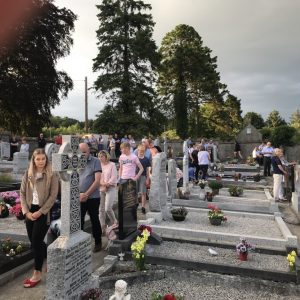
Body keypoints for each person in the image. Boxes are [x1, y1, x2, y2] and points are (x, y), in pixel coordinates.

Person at [20, 148, 59, 288]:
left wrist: (41, 212)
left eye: (43, 159)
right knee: (33, 242)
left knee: (36, 241)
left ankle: (37, 273)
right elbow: (22, 193)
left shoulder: (52, 174)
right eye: (38, 159)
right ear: (34, 160)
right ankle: (52, 258)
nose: (41, 161)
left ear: (46, 159)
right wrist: (26, 212)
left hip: (44, 211)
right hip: (30, 211)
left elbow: (53, 196)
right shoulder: (28, 173)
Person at [79, 143, 102, 252]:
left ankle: (98, 242)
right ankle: (80, 244)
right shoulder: (75, 161)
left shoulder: (95, 161)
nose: (83, 154)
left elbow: (97, 181)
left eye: (85, 151)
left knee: (94, 219)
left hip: (92, 197)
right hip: (79, 197)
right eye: (81, 152)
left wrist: (86, 194)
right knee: (79, 221)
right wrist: (79, 194)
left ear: (89, 151)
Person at [98, 150, 118, 234]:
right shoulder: (99, 165)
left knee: (107, 208)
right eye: (99, 156)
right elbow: (98, 176)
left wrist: (107, 185)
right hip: (101, 188)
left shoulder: (112, 165)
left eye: (102, 156)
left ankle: (115, 223)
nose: (100, 158)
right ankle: (102, 227)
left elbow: (114, 177)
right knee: (101, 209)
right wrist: (102, 184)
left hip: (111, 188)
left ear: (106, 156)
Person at [136, 144, 151, 214]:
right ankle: (136, 203)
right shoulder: (135, 158)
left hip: (143, 176)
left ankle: (143, 207)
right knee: (134, 192)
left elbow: (148, 170)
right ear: (137, 151)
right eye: (139, 150)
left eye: (142, 151)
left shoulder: (146, 159)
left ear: (144, 151)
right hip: (135, 176)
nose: (141, 152)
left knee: (143, 192)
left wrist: (148, 179)